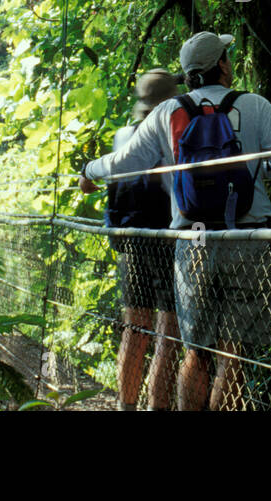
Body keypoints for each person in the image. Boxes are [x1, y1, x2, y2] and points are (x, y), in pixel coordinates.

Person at [79, 32, 271, 410]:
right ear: (220, 65)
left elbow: (125, 164)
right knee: (234, 354)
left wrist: (89, 169)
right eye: (227, 58)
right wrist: (252, 165)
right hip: (246, 238)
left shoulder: (167, 112)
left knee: (195, 351)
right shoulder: (254, 106)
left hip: (192, 241)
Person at [81, 69, 182, 411]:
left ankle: (126, 406)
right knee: (168, 332)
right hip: (168, 241)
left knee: (135, 328)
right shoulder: (169, 135)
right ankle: (158, 407)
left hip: (131, 242)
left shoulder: (123, 136)